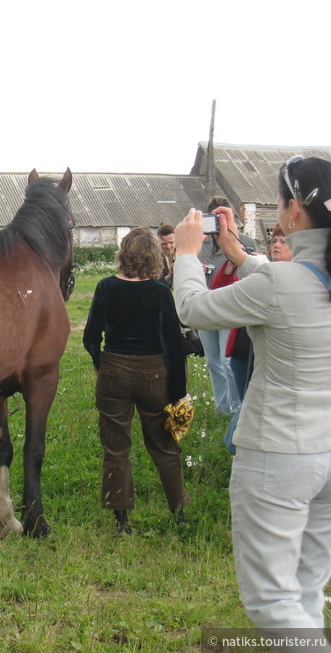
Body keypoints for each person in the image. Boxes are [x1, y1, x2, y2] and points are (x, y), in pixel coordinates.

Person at [173, 155, 331, 638]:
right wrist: (241, 257)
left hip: (277, 454)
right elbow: (295, 281)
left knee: (272, 601)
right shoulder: (291, 278)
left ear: (293, 211)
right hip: (325, 454)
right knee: (306, 585)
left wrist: (184, 254)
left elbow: (193, 308)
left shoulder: (278, 284)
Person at [83, 227, 190, 534]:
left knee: (116, 447)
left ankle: (121, 520)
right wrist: (178, 392)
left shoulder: (105, 287)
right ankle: (178, 510)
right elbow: (173, 343)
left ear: (123, 253)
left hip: (114, 370)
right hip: (153, 373)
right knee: (164, 444)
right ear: (154, 256)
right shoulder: (159, 292)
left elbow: (91, 337)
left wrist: (99, 363)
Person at [196, 197, 257, 416]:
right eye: (214, 217)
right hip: (205, 304)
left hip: (230, 306)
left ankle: (237, 405)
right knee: (213, 361)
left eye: (223, 217)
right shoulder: (199, 244)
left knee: (227, 359)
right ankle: (222, 407)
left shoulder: (245, 241)